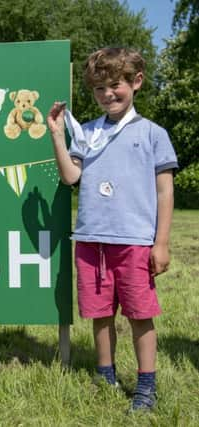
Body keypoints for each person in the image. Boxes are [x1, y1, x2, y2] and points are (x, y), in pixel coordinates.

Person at [47, 47, 177, 411]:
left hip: (134, 243)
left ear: (136, 82)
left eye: (114, 85)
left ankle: (145, 386)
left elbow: (165, 190)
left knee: (139, 315)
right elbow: (71, 176)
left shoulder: (153, 134)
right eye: (99, 88)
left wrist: (161, 242)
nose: (107, 94)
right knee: (100, 314)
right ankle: (105, 375)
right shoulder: (86, 133)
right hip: (90, 243)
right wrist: (57, 135)